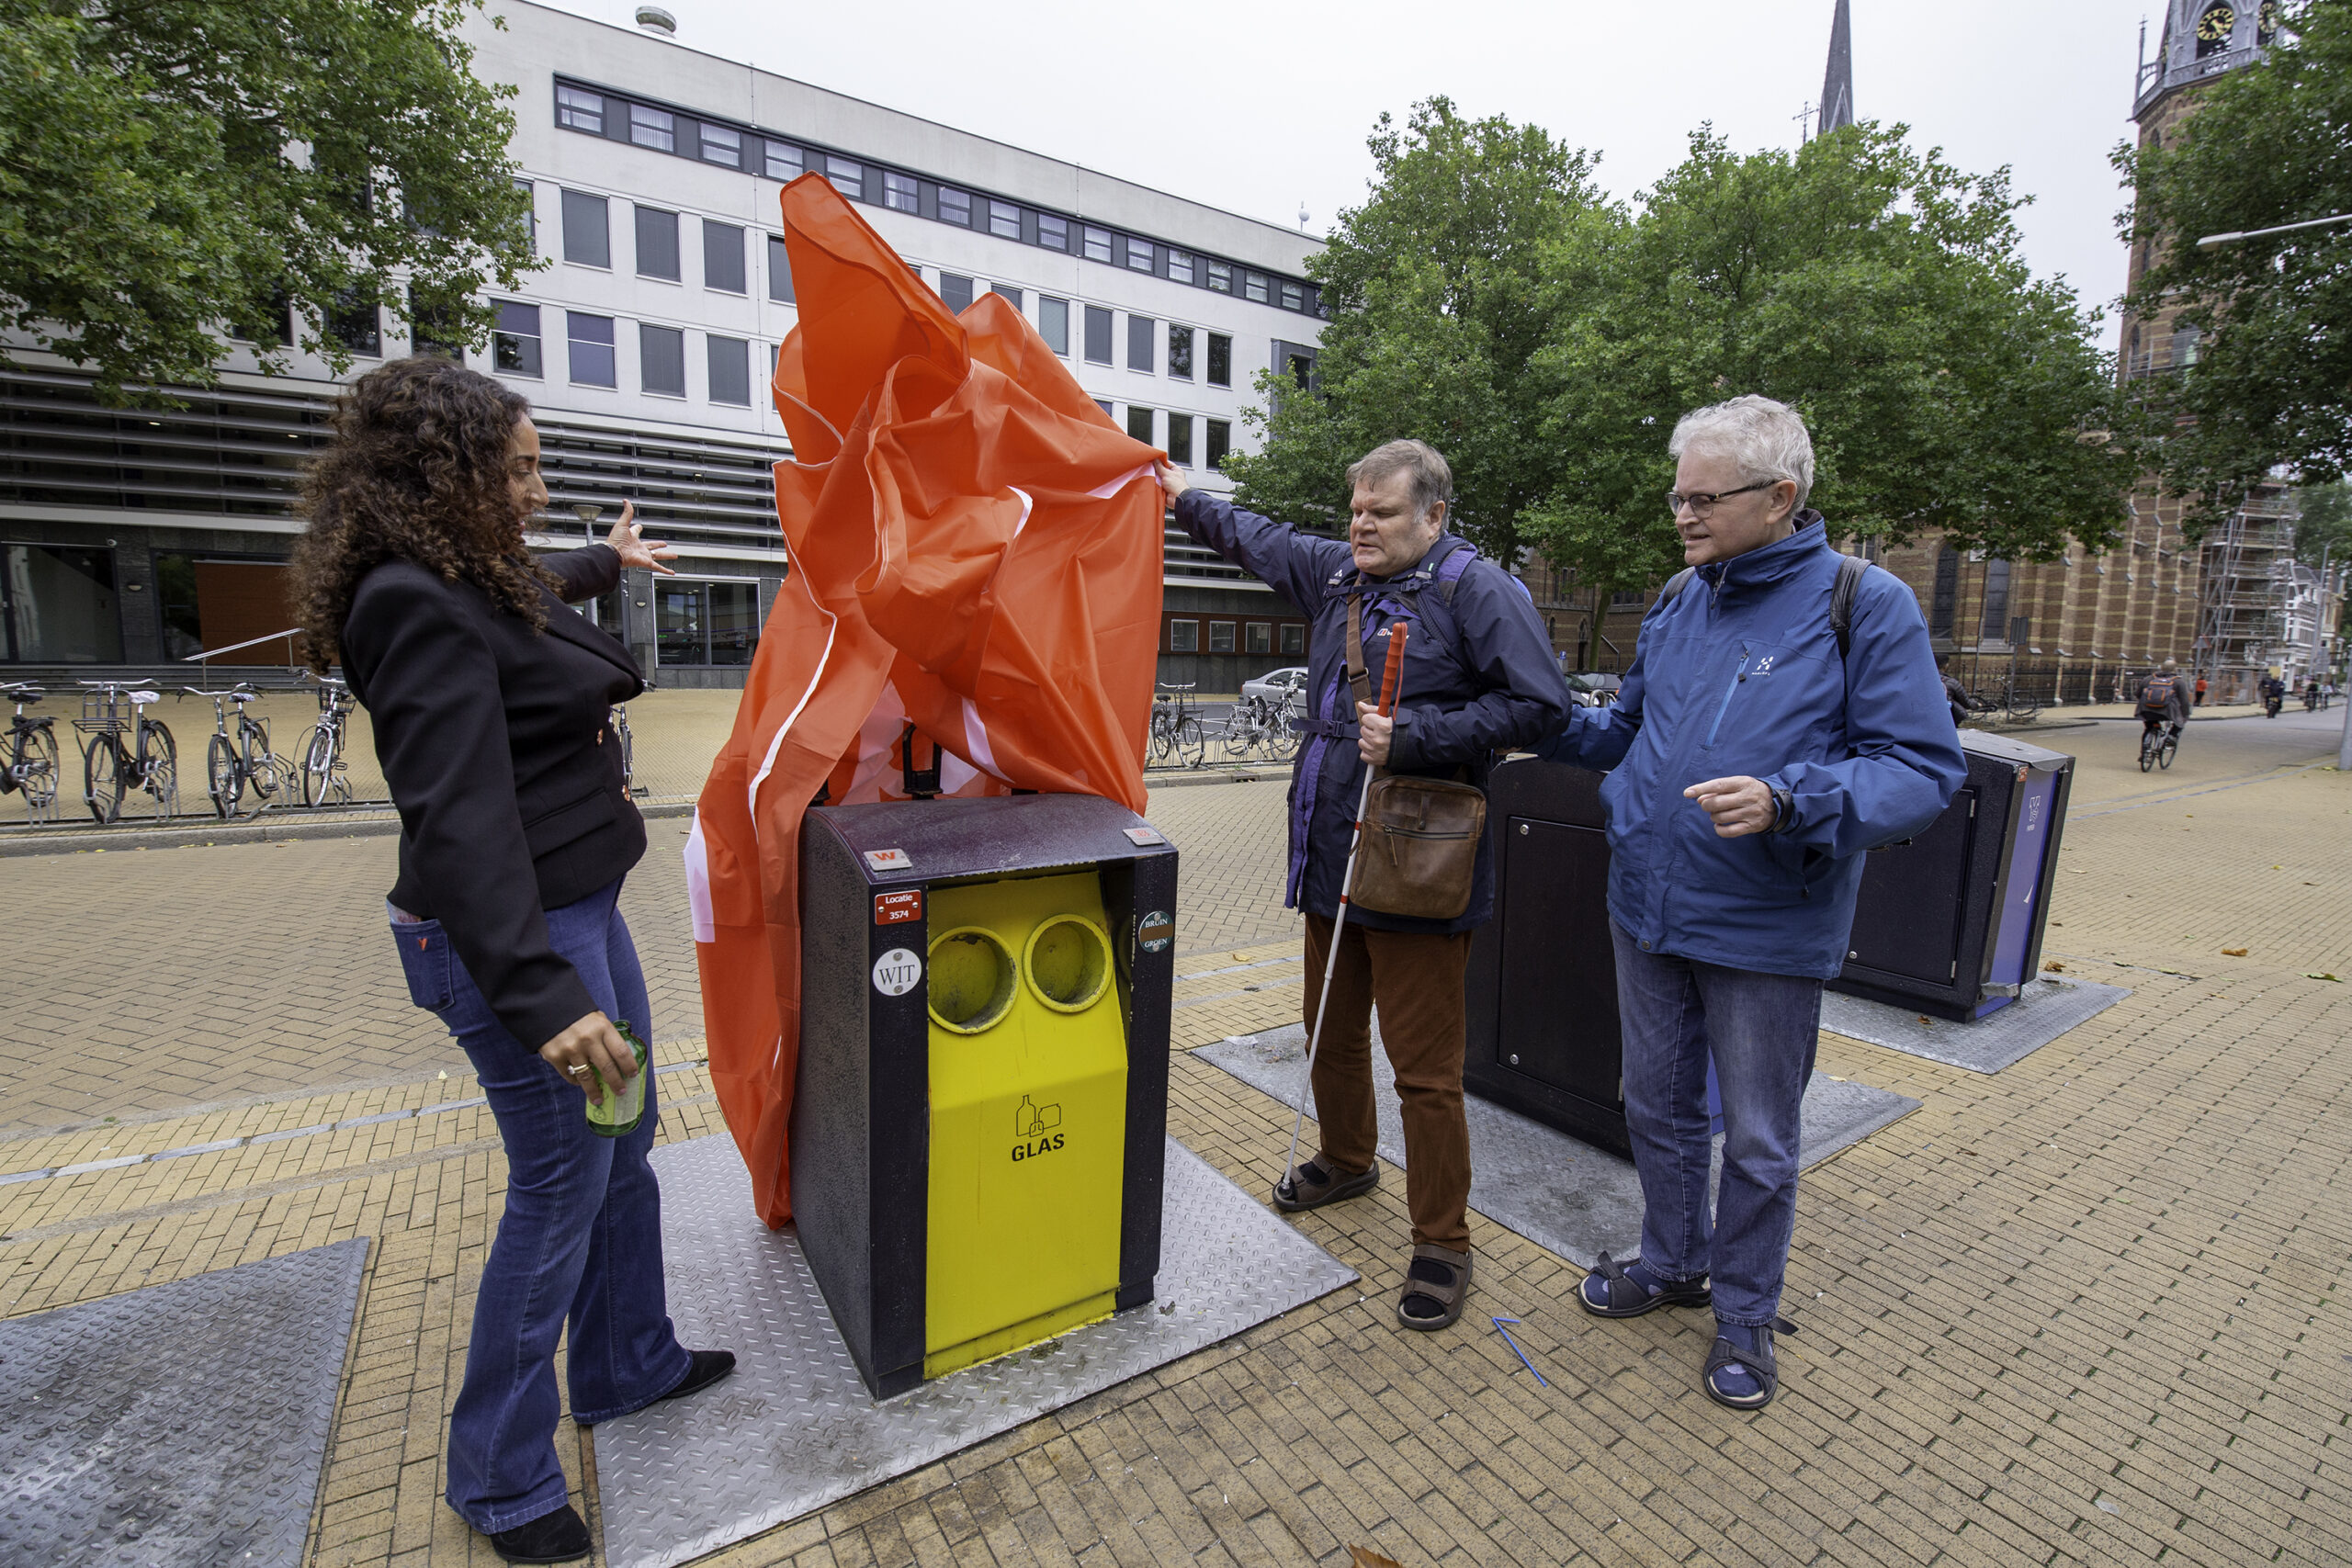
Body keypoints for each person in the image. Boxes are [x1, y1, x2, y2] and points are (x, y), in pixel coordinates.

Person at [290, 358, 733, 1565]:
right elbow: (460, 820)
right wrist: (542, 996)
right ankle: (496, 1469)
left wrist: (608, 558)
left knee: (624, 1140)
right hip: (519, 938)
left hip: (574, 911)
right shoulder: (409, 601)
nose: (537, 492)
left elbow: (530, 588)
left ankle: (626, 1360)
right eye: (522, 470)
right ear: (453, 475)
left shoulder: (463, 571)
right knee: (560, 1185)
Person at [1537, 395, 1965, 1410]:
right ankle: (1670, 1263)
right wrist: (1537, 716)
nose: (1681, 517)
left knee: (1762, 1140)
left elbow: (1920, 769)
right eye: (1675, 498)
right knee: (1657, 1105)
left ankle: (1742, 1314)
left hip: (1767, 926)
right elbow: (1626, 730)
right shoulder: (1681, 600)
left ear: (1779, 497)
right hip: (1644, 902)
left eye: (1701, 498)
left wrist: (1788, 799)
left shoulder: (1863, 603)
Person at [1157, 441, 1568, 1331]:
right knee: (1329, 1036)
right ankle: (1348, 1159)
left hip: (1418, 869)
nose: (1360, 526)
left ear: (1432, 517)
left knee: (1424, 1072)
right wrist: (1183, 494)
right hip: (1329, 858)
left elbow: (1542, 706)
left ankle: (1443, 1242)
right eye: (1355, 512)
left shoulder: (1477, 590)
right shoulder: (1337, 577)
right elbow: (1253, 538)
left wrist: (1416, 736)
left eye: (1380, 513)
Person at [2137, 660, 2190, 747]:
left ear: (2161, 668)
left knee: (2148, 728)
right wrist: (2185, 715)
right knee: (2180, 722)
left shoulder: (2148, 679)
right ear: (2175, 669)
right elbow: (2184, 701)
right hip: (2168, 713)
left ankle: (2144, 752)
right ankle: (2171, 736)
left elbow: (2138, 694)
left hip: (2147, 711)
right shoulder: (2178, 682)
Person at [1935, 653, 1973, 727]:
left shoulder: (1922, 680)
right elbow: (1966, 702)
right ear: (1946, 665)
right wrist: (1977, 704)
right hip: (1947, 720)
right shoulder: (1951, 683)